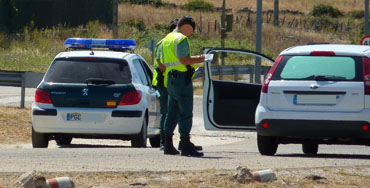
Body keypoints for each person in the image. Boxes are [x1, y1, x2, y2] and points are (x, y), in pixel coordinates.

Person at [160, 15, 205, 157]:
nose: (191, 33)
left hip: (170, 78)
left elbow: (161, 62)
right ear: (187, 27)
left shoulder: (166, 39)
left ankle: (167, 143)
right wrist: (201, 58)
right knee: (185, 111)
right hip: (181, 79)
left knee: (171, 111)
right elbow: (184, 60)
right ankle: (185, 144)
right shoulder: (181, 39)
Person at [152, 18, 179, 150]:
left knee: (173, 112)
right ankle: (164, 142)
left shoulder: (174, 42)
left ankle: (169, 141)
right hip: (164, 81)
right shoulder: (164, 43)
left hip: (171, 80)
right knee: (166, 112)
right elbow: (161, 64)